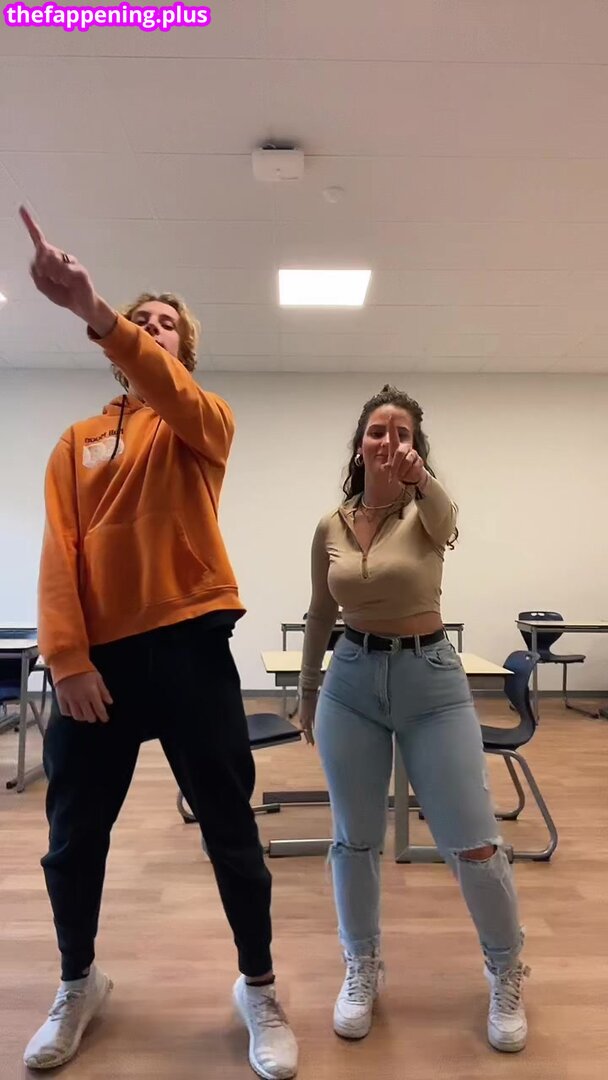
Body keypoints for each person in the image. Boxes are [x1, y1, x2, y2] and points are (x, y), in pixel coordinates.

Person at [19, 206, 298, 1080]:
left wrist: (97, 310)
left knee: (230, 830)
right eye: (140, 320)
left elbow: (168, 389)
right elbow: (58, 554)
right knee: (73, 839)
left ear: (184, 351)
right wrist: (67, 660)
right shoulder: (76, 443)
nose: (149, 328)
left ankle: (259, 986)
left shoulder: (200, 423)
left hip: (189, 651)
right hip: (98, 669)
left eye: (164, 323)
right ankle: (78, 981)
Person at [297, 384, 529, 1053]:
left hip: (431, 682)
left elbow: (448, 516)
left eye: (402, 432)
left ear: (416, 448)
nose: (388, 440)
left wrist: (420, 478)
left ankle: (506, 968)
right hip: (351, 681)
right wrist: (308, 691)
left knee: (473, 841)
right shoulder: (331, 525)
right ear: (359, 445)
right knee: (354, 839)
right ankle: (362, 965)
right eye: (377, 430)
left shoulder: (426, 510)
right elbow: (320, 612)